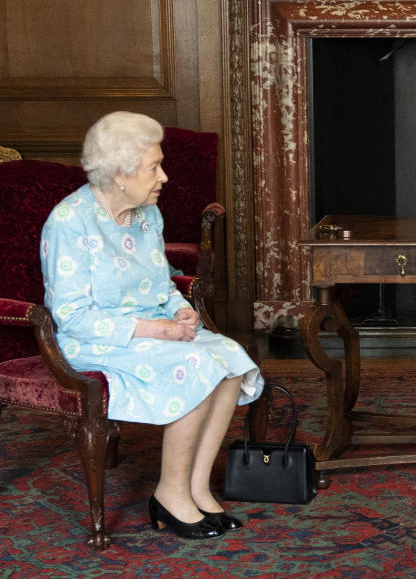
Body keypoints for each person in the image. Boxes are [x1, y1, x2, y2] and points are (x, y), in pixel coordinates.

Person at [40, 111, 264, 539]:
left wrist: (181, 310)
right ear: (120, 174)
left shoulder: (147, 214)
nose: (163, 177)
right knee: (196, 366)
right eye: (153, 167)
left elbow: (162, 287)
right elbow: (72, 316)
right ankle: (169, 494)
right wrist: (158, 330)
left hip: (154, 331)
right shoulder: (69, 222)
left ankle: (196, 488)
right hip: (95, 341)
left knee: (229, 358)